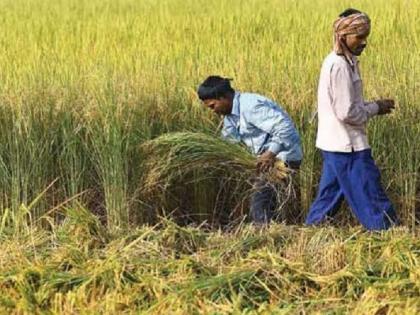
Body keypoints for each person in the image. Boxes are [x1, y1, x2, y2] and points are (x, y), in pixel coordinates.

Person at [305, 8, 398, 230]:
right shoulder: (338, 65)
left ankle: (311, 231)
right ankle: (388, 235)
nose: (364, 42)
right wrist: (375, 108)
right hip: (347, 145)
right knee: (369, 191)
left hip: (336, 143)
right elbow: (346, 112)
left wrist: (374, 106)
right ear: (343, 35)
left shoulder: (347, 61)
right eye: (359, 36)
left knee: (330, 195)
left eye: (366, 36)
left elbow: (349, 105)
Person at [197, 75, 303, 224]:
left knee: (259, 204)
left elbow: (285, 128)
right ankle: (274, 233)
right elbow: (228, 141)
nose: (213, 111)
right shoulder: (230, 116)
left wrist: (270, 153)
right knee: (263, 201)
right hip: (266, 161)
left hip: (282, 159)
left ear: (223, 97)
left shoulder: (250, 107)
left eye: (213, 106)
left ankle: (267, 239)